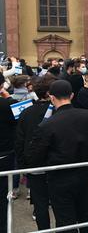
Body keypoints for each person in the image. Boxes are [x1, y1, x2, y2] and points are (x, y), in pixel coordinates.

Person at [26, 80, 88, 233]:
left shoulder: (47, 125)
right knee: (85, 214)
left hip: (59, 177)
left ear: (51, 98)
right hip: (83, 173)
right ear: (72, 95)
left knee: (65, 219)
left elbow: (35, 156)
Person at [15, 75, 57, 230]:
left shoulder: (26, 113)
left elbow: (19, 140)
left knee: (40, 204)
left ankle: (43, 229)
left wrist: (22, 165)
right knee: (60, 203)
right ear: (49, 93)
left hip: (34, 164)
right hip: (55, 163)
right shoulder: (58, 111)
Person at [0, 73, 18, 233]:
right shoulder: (8, 104)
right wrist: (8, 97)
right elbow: (22, 117)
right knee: (2, 196)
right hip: (5, 154)